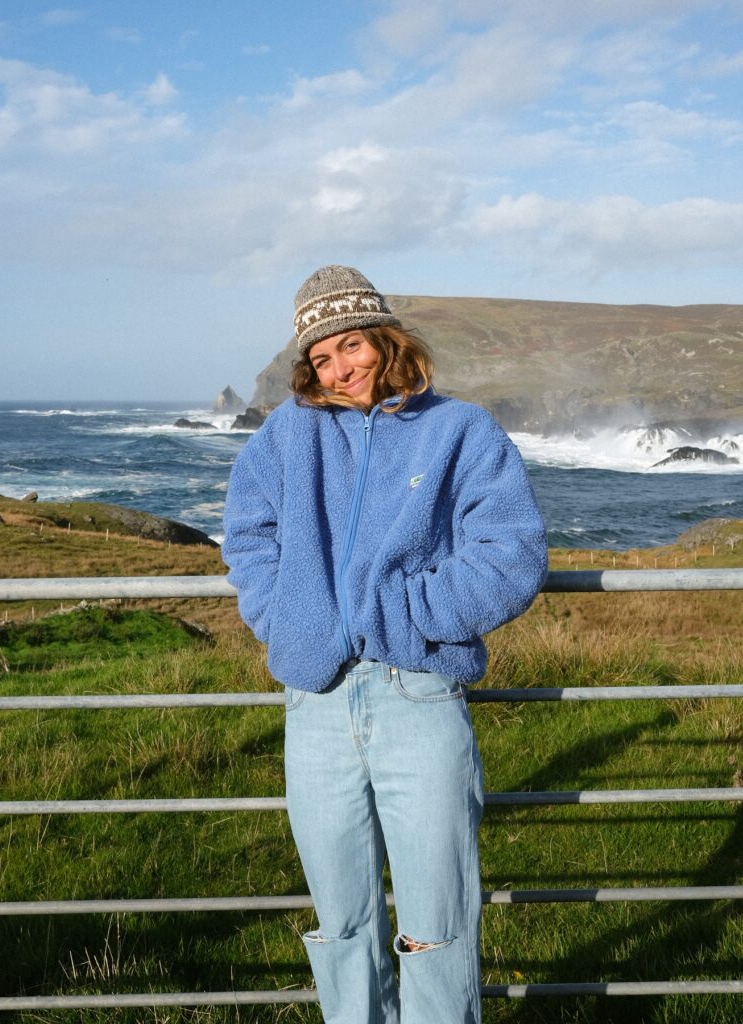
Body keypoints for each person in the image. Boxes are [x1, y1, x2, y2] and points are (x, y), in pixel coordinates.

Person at [222, 265, 547, 1024]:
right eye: (321, 358)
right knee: (341, 926)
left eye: (350, 346)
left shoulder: (459, 430)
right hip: (317, 699)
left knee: (437, 925)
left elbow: (510, 555)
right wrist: (292, 618)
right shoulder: (285, 435)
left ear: (383, 338)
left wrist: (406, 611)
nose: (339, 369)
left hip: (419, 693)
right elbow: (248, 536)